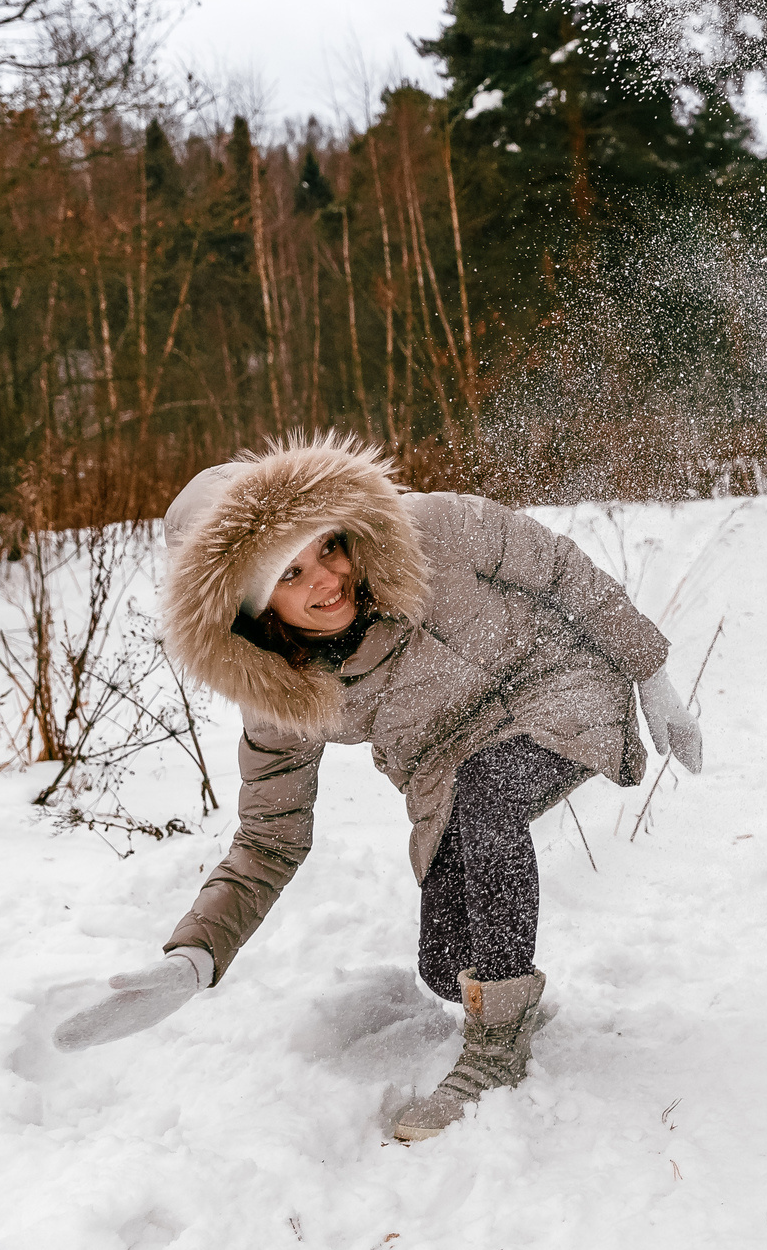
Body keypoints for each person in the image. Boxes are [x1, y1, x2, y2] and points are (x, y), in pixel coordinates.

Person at [51, 435, 703, 1142]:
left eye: (327, 547)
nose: (328, 578)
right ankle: (504, 996)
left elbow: (560, 570)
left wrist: (649, 669)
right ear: (251, 608)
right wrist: (194, 956)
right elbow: (269, 839)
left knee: (487, 797)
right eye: (291, 573)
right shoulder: (282, 694)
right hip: (446, 767)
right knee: (447, 965)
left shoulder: (431, 530)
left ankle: (496, 1050)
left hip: (557, 685)